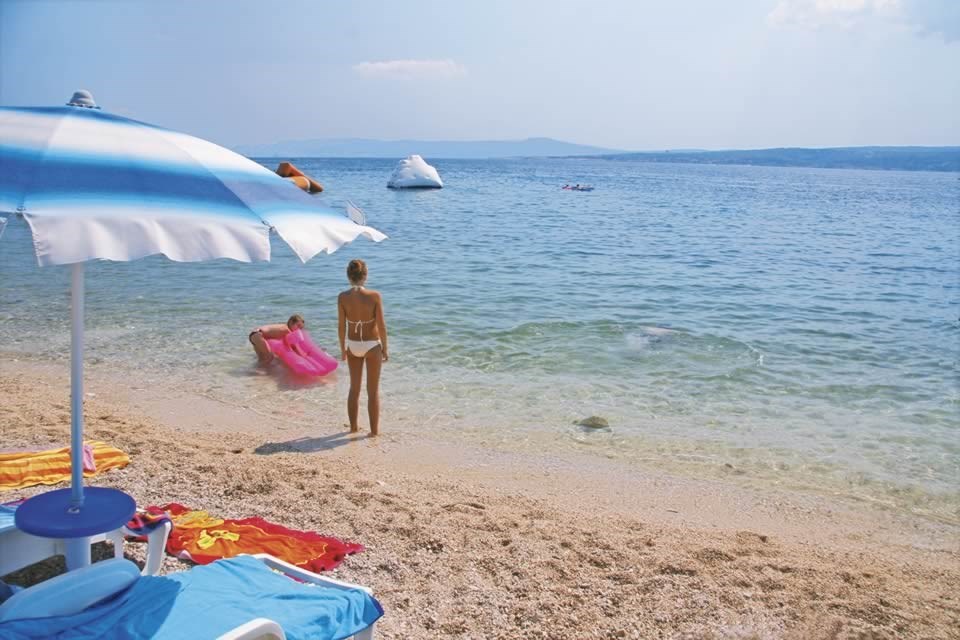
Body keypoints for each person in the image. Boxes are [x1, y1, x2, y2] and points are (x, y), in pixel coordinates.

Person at [338, 259, 388, 436]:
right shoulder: (374, 296)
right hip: (372, 345)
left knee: (354, 389)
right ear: (365, 275)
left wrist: (343, 349)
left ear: (348, 276)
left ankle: (353, 427)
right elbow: (381, 326)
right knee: (372, 392)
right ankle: (374, 432)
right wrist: (385, 348)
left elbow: (341, 326)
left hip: (352, 345)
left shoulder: (342, 297)